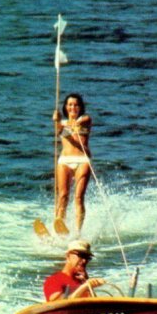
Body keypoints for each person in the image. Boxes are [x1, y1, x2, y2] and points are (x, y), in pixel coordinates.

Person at [52, 92, 92, 236]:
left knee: (78, 197)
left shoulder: (85, 119)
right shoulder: (61, 124)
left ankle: (78, 232)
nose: (73, 107)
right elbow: (59, 131)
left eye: (76, 105)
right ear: (66, 107)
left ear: (80, 107)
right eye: (70, 105)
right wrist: (57, 120)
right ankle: (58, 225)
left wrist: (75, 123)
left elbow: (85, 120)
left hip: (82, 161)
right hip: (65, 161)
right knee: (63, 196)